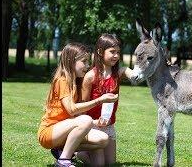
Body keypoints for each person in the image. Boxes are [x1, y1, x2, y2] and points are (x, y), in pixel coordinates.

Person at [37, 42, 119, 167]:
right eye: (84, 61)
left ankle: (62, 150)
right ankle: (63, 160)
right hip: (49, 132)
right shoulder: (62, 80)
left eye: (88, 62)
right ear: (71, 61)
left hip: (66, 131)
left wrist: (96, 122)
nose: (87, 66)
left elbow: (76, 117)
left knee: (103, 139)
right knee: (85, 119)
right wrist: (100, 100)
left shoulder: (78, 81)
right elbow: (72, 110)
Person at [76, 34, 134, 166]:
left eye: (118, 52)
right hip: (93, 125)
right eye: (112, 52)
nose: (116, 56)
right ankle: (79, 152)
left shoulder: (117, 74)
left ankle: (88, 152)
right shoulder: (91, 76)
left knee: (110, 163)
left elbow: (126, 71)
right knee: (99, 165)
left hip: (109, 126)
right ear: (100, 52)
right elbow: (83, 106)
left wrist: (131, 72)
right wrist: (89, 124)